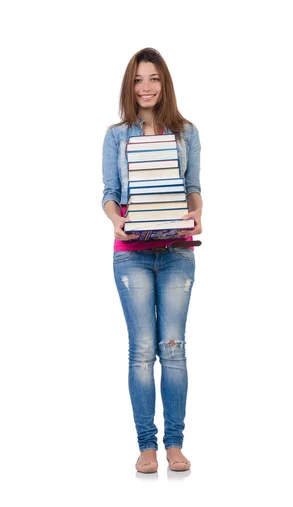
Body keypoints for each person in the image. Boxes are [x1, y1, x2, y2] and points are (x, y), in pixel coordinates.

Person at [102, 48, 202, 473]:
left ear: (165, 85)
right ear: (131, 85)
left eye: (155, 79)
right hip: (132, 256)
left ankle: (175, 444)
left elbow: (193, 186)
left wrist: (197, 210)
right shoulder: (116, 135)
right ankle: (147, 445)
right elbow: (109, 193)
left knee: (173, 348)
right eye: (139, 79)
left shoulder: (187, 132)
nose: (146, 87)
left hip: (178, 251)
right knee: (142, 349)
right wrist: (115, 219)